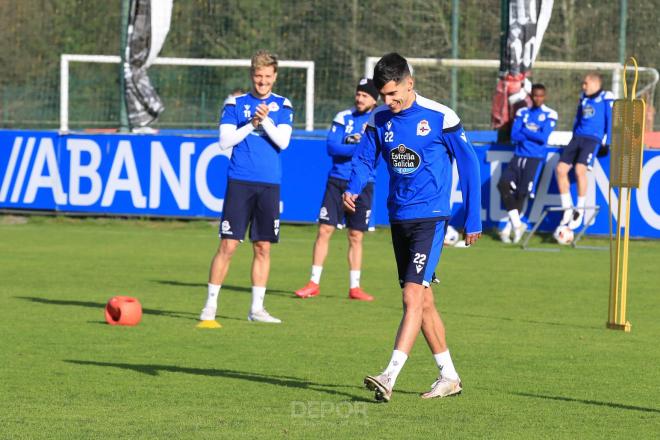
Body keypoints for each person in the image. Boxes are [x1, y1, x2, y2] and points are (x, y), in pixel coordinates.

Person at [343, 53, 482, 401]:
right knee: (424, 301)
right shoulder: (379, 119)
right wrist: (353, 186)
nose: (388, 102)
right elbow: (364, 159)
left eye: (393, 94)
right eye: (383, 95)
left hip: (431, 217)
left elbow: (469, 167)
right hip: (398, 217)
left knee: (411, 296)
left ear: (410, 83)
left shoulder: (440, 117)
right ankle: (449, 376)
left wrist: (473, 217)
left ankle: (388, 375)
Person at [198, 50, 294, 325]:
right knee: (228, 244)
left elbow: (283, 142)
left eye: (267, 76)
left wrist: (264, 120)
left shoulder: (282, 105)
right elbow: (224, 142)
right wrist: (251, 123)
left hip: (269, 183)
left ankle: (256, 309)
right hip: (240, 180)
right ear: (251, 75)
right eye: (258, 76)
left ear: (274, 76)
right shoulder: (236, 103)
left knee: (263, 246)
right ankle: (210, 305)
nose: (262, 81)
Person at [294, 78, 379, 301]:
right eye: (358, 94)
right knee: (324, 230)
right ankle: (313, 282)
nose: (360, 98)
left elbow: (376, 153)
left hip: (363, 184)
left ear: (374, 99)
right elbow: (332, 146)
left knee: (356, 235)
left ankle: (355, 287)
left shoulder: (378, 121)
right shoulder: (343, 117)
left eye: (365, 95)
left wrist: (353, 145)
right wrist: (357, 143)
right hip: (337, 181)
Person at [498, 83, 557, 244]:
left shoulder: (550, 114)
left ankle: (509, 229)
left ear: (545, 97)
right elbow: (514, 135)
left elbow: (543, 138)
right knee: (503, 184)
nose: (537, 98)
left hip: (534, 158)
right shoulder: (522, 112)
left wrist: (525, 130)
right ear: (530, 96)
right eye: (535, 95)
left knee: (522, 193)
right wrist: (533, 133)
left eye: (540, 96)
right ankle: (517, 224)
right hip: (518, 156)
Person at [555, 73, 613, 230]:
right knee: (560, 169)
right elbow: (577, 119)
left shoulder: (606, 97)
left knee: (580, 171)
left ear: (595, 83)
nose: (583, 86)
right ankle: (567, 208)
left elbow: (610, 120)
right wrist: (573, 136)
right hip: (577, 138)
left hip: (593, 139)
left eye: (586, 83)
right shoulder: (583, 98)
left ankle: (579, 210)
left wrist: (607, 143)